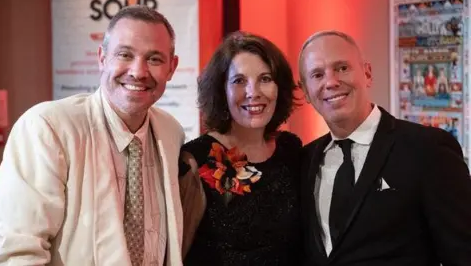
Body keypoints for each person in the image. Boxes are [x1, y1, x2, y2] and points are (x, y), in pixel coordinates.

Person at [0, 6, 185, 266]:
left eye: (154, 59)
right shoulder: (48, 127)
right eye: (125, 54)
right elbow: (18, 252)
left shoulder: (171, 132)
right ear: (102, 58)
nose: (138, 72)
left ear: (172, 68)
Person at [298, 30, 471, 266]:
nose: (331, 82)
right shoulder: (304, 160)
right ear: (306, 91)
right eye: (317, 74)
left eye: (342, 68)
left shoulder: (428, 150)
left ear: (367, 73)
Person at [178, 31, 303, 265]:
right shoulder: (195, 160)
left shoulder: (290, 149)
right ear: (220, 90)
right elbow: (175, 252)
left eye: (265, 78)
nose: (253, 92)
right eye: (239, 81)